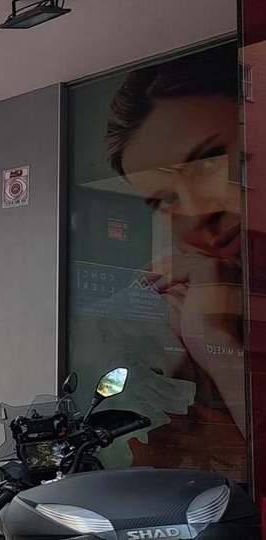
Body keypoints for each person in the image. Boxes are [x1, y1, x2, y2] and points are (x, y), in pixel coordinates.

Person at [79, 45, 245, 471]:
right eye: (165, 199)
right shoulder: (145, 320)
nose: (196, 212)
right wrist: (214, 338)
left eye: (208, 161)